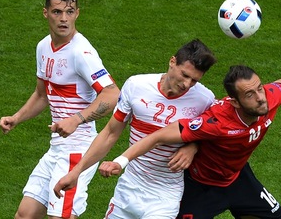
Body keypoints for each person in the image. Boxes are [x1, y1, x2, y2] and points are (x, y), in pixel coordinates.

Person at [95, 65, 281, 219]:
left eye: (259, 89)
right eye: (250, 94)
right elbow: (158, 136)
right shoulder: (216, 121)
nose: (261, 98)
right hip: (201, 186)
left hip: (238, 179)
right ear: (235, 102)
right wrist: (121, 161)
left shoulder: (268, 98)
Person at [53, 39, 217, 218]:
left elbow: (216, 136)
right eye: (184, 75)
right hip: (128, 189)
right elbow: (110, 133)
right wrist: (76, 172)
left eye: (194, 80)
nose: (187, 84)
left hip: (165, 196)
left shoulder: (205, 100)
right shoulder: (137, 86)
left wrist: (194, 147)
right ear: (172, 62)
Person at [0, 0, 120, 219]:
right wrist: (16, 118)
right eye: (57, 12)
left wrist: (77, 119)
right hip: (57, 148)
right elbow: (42, 95)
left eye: (70, 11)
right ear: (46, 13)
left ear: (77, 13)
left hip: (78, 149)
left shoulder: (81, 53)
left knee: (60, 217)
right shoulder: (44, 47)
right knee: (25, 215)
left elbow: (112, 94)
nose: (64, 18)